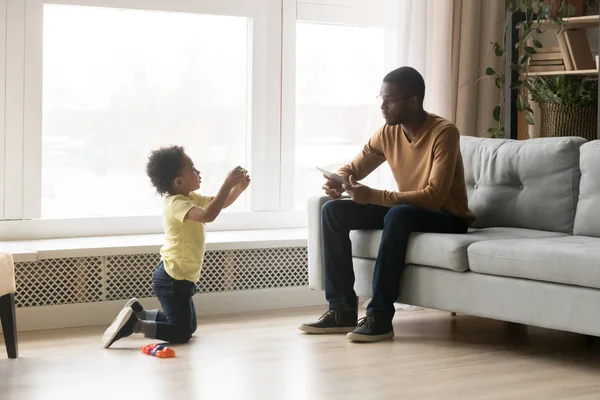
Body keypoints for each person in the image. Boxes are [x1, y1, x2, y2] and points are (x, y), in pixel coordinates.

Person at [299, 66, 475, 343]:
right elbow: (353, 167)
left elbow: (433, 197)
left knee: (399, 214)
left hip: (447, 217)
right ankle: (341, 309)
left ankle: (379, 317)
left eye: (390, 100)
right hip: (408, 210)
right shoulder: (387, 133)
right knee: (332, 211)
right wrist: (339, 180)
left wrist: (372, 196)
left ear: (413, 102)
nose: (382, 105)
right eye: (380, 97)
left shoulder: (444, 132)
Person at [102, 145, 250, 348]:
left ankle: (140, 313)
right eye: (193, 169)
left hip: (180, 277)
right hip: (172, 279)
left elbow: (219, 203)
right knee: (182, 333)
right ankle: (135, 325)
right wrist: (226, 184)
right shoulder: (176, 204)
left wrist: (237, 190)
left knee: (190, 326)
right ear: (178, 182)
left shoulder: (189, 198)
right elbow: (208, 215)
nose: (198, 173)